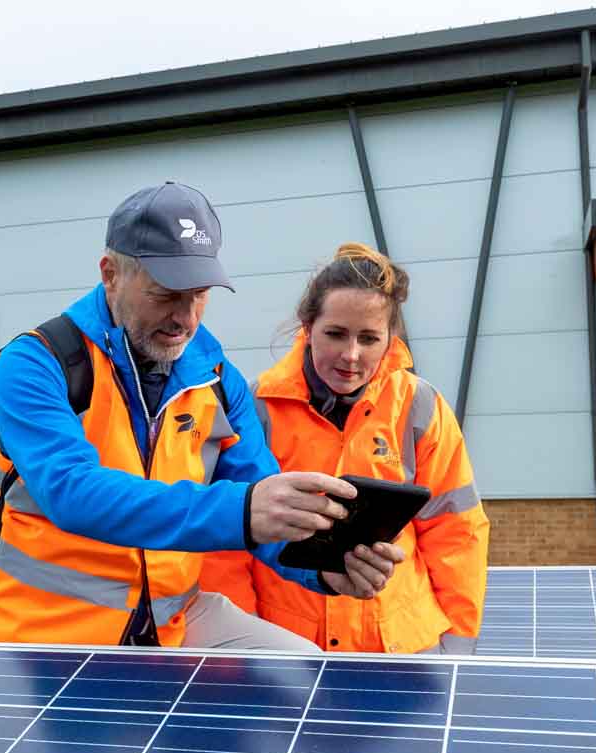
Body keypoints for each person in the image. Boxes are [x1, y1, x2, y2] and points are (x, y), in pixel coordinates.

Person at [0, 184, 406, 649]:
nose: (186, 317)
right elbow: (73, 493)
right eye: (166, 295)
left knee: (308, 675)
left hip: (171, 619)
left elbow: (264, 504)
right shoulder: (37, 363)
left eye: (199, 295)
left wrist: (321, 567)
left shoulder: (216, 378)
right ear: (110, 273)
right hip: (40, 637)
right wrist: (240, 511)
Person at [200, 243, 489, 654]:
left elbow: (457, 531)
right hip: (289, 650)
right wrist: (243, 651)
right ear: (307, 326)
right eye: (335, 334)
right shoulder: (256, 409)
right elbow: (228, 543)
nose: (350, 356)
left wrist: (459, 644)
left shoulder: (420, 407)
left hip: (401, 649)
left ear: (390, 340)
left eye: (369, 338)